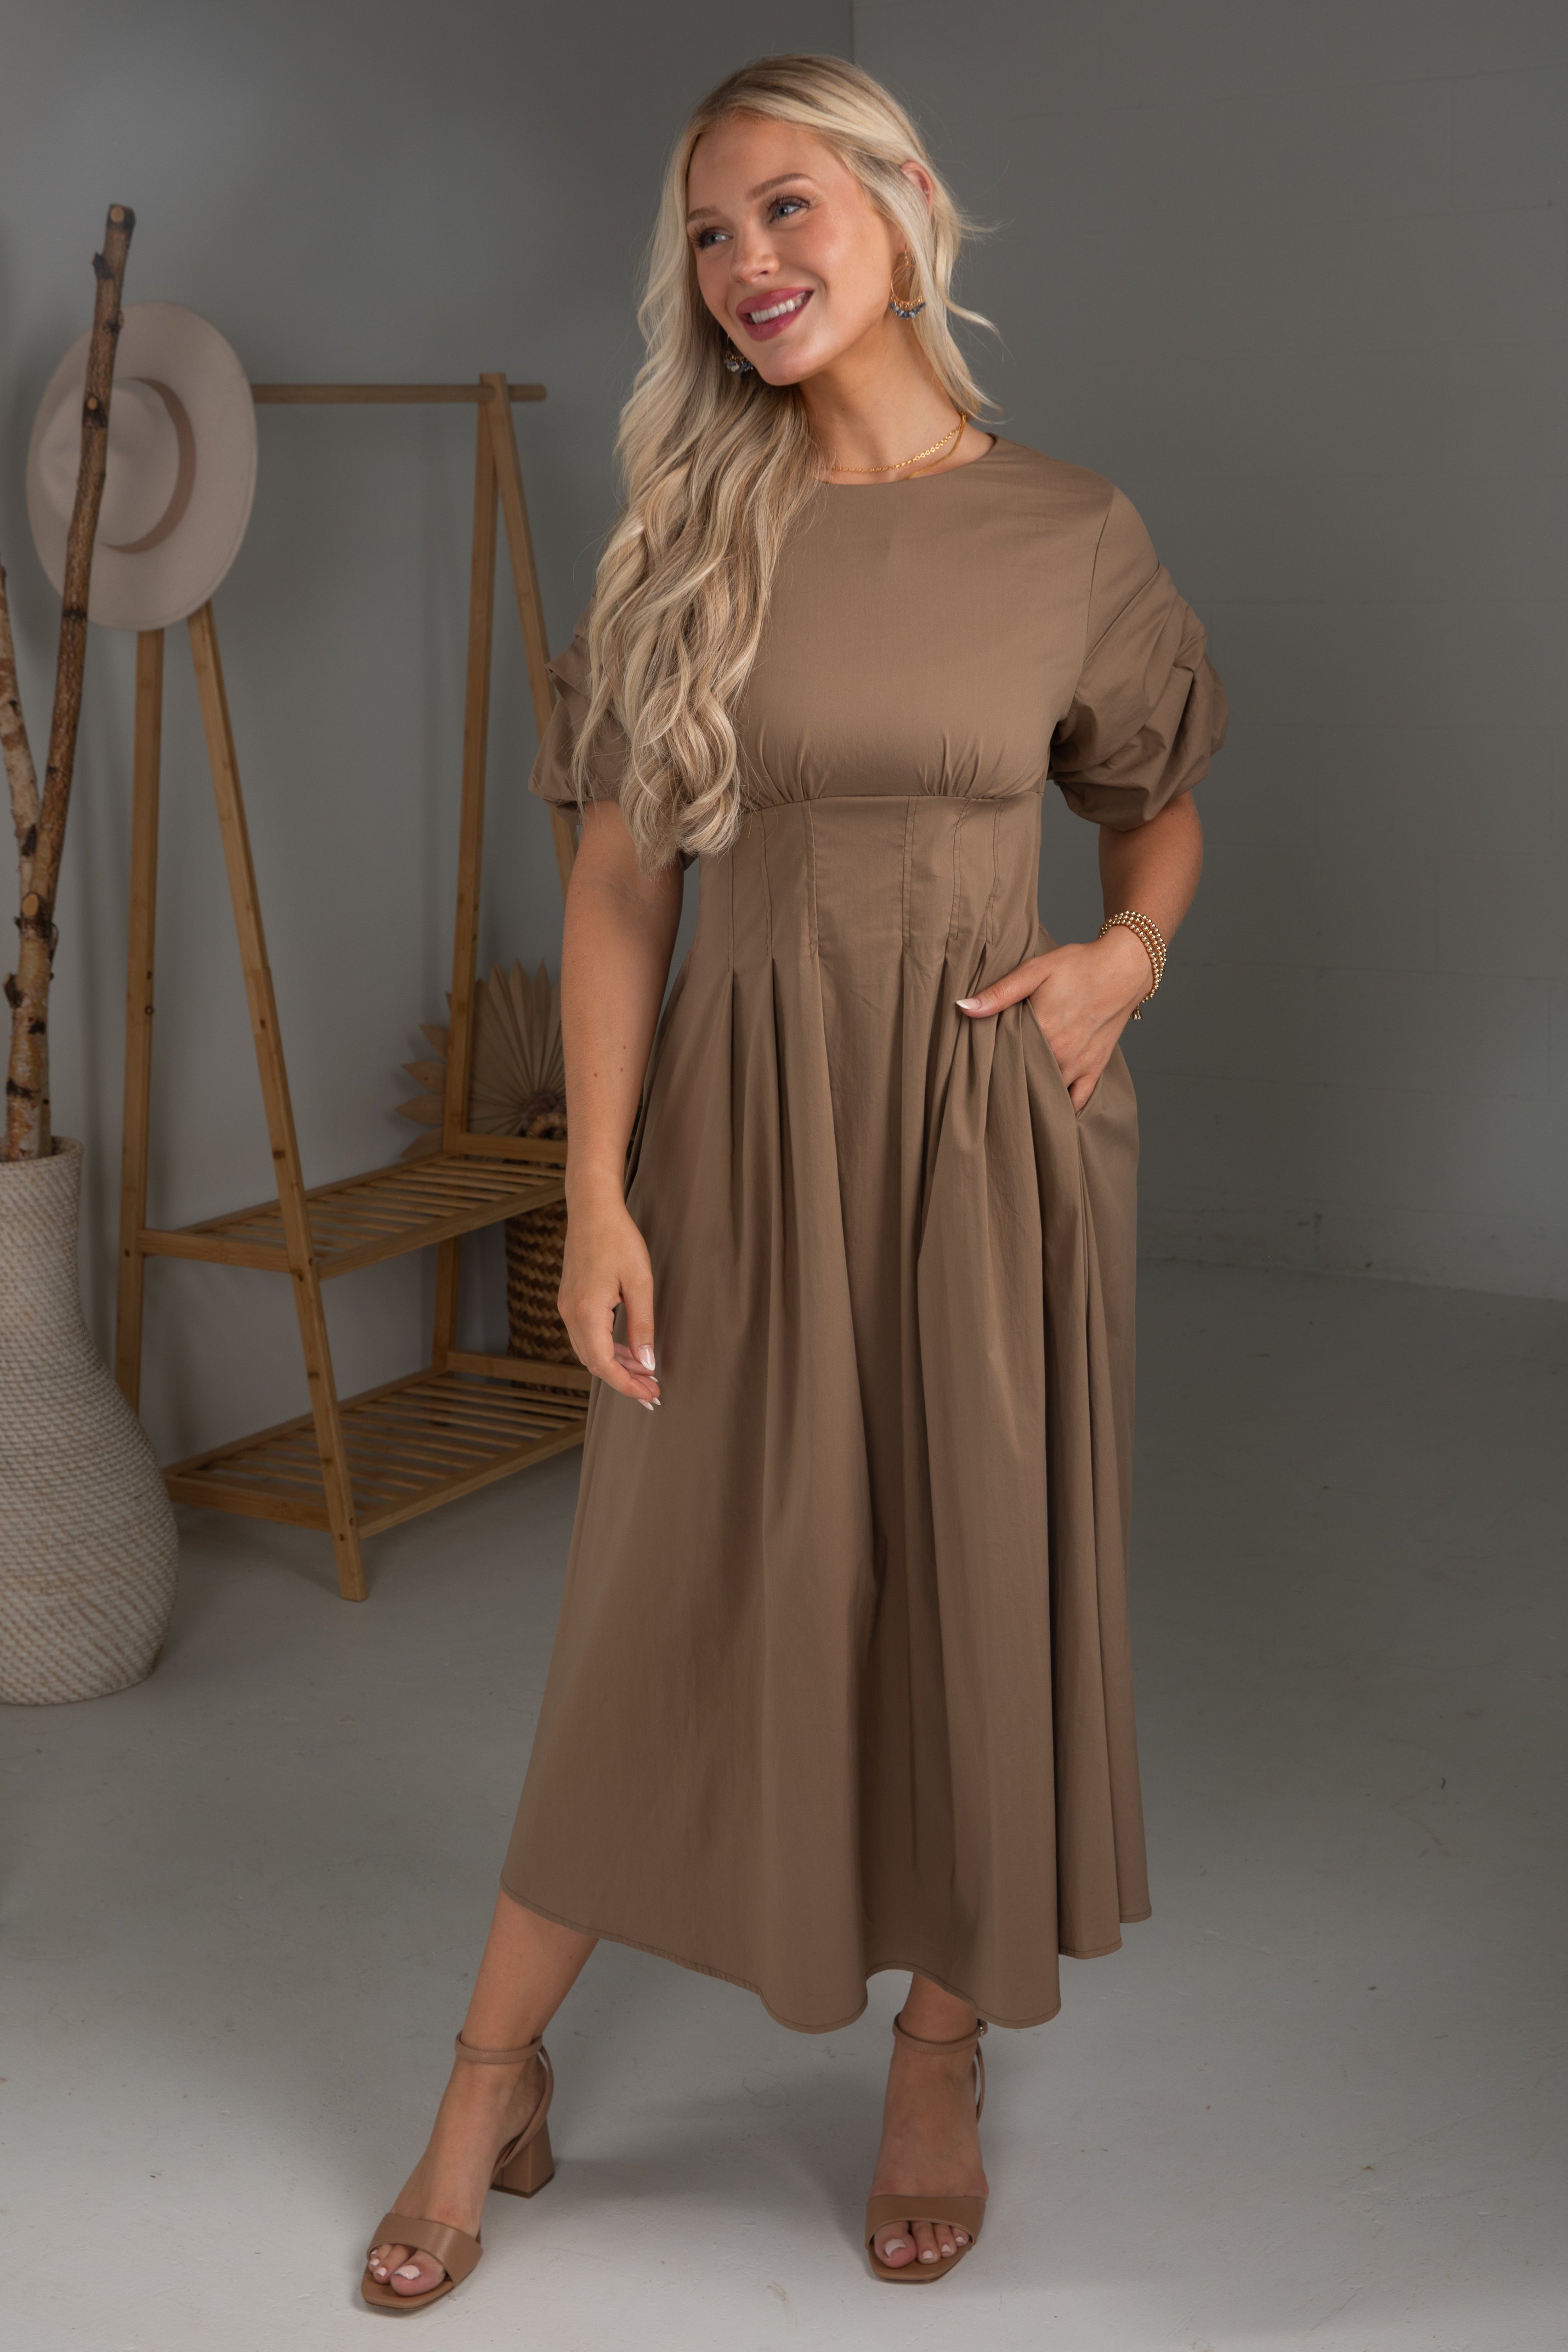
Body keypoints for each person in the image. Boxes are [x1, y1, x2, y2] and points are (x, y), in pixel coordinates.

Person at [364, 51, 1226, 2311]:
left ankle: (931, 2051)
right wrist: (611, 1189)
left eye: (784, 210)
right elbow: (624, 890)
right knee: (657, 1600)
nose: (748, 264)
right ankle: (484, 2070)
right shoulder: (685, 537)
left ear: (906, 203)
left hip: (984, 1135)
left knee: (970, 1572)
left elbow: (1149, 798)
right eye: (709, 237)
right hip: (738, 1144)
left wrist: (1119, 959)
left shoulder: (1072, 530)